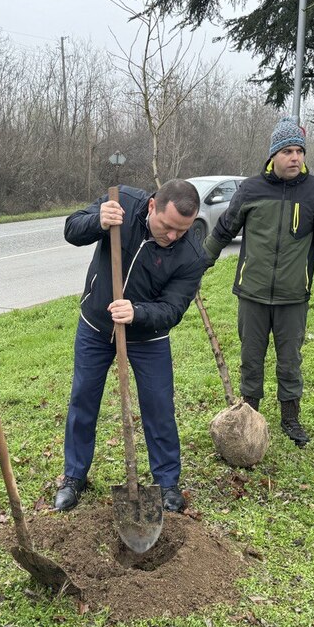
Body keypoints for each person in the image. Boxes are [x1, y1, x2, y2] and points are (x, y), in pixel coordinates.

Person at [54, 180, 208, 514]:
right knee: (83, 399)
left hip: (147, 338)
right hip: (95, 326)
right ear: (153, 206)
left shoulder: (192, 254)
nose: (172, 237)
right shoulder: (121, 202)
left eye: (182, 230)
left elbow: (172, 310)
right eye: (167, 227)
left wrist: (137, 312)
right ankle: (74, 477)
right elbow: (71, 230)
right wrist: (98, 221)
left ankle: (167, 482)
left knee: (158, 408)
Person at [203, 117, 314, 447]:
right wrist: (197, 266)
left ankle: (290, 418)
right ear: (273, 156)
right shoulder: (250, 190)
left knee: (290, 361)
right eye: (287, 151)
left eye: (299, 151)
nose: (295, 157)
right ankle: (249, 416)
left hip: (293, 296)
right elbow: (223, 230)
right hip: (251, 293)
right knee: (251, 358)